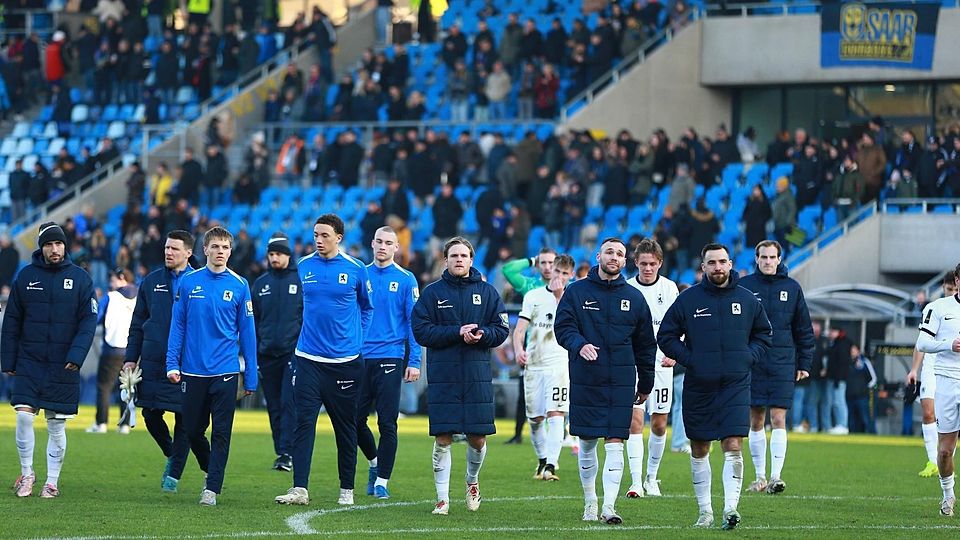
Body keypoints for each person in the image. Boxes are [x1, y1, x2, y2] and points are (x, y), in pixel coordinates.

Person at [657, 242, 772, 530]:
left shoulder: (747, 300)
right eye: (712, 263)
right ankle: (705, 512)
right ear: (703, 266)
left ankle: (731, 509)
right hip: (699, 385)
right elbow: (666, 336)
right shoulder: (688, 300)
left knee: (733, 444)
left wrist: (748, 357)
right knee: (699, 448)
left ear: (730, 264)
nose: (718, 267)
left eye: (722, 262)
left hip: (735, 385)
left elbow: (764, 334)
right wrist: (690, 359)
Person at [554, 237, 658, 525]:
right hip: (586, 378)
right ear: (598, 256)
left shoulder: (635, 298)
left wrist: (646, 383)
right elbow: (563, 328)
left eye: (620, 254)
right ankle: (590, 502)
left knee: (616, 441)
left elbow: (646, 345)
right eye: (609, 252)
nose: (614, 257)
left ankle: (609, 507)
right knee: (587, 442)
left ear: (625, 262)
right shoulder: (576, 292)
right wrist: (579, 344)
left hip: (622, 380)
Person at [275, 214, 373, 507]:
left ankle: (346, 490)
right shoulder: (303, 266)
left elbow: (367, 309)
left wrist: (358, 341)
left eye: (325, 235)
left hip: (345, 362)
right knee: (303, 423)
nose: (319, 240)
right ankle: (299, 489)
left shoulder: (356, 268)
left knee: (345, 427)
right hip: (308, 359)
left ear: (339, 238)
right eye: (316, 235)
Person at [412, 236, 509, 515]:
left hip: (477, 375)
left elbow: (501, 329)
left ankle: (472, 481)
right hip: (444, 375)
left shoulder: (488, 292)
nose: (458, 260)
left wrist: (481, 335)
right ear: (446, 259)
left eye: (463, 256)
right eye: (453, 256)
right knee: (443, 437)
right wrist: (456, 332)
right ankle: (442, 499)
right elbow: (421, 331)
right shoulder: (432, 293)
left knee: (478, 438)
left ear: (471, 260)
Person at [2, 222, 97, 498]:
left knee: (56, 426)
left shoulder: (81, 279)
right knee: (22, 417)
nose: (55, 249)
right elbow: (11, 321)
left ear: (65, 246)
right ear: (41, 247)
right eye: (49, 244)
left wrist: (76, 356)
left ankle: (51, 482)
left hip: (63, 363)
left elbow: (88, 322)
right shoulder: (25, 277)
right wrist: (8, 361)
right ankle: (28, 474)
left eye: (59, 244)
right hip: (30, 361)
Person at [165, 226, 259, 506]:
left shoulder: (240, 285)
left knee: (221, 432)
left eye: (225, 247)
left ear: (231, 251)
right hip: (193, 371)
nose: (220, 252)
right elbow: (177, 325)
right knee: (192, 430)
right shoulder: (188, 283)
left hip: (226, 371)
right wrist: (172, 362)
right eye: (215, 247)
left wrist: (251, 376)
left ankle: (212, 487)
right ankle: (211, 468)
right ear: (204, 250)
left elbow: (248, 334)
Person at [125, 230, 211, 493]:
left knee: (185, 419)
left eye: (174, 249)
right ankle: (172, 453)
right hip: (154, 360)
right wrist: (130, 358)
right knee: (150, 413)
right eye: (166, 248)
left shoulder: (203, 281)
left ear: (188, 252)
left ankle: (175, 474)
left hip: (189, 362)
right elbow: (137, 323)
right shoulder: (151, 282)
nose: (168, 252)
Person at [738, 240, 814, 495]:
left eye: (772, 257)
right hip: (753, 361)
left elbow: (803, 329)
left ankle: (775, 477)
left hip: (783, 362)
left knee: (779, 417)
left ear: (779, 259)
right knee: (756, 418)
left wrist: (804, 362)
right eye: (764, 257)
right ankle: (759, 478)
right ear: (756, 259)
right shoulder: (745, 287)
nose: (768, 261)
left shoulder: (792, 288)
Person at [357, 226, 422, 499]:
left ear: (397, 248)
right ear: (372, 244)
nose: (383, 246)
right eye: (379, 241)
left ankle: (382, 481)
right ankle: (374, 463)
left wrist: (414, 360)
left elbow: (413, 323)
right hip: (359, 358)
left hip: (391, 357)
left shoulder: (406, 280)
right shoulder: (360, 274)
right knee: (354, 421)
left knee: (387, 423)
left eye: (389, 243)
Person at [624, 238, 680, 498]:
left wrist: (675, 351)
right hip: (633, 364)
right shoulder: (626, 289)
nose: (648, 268)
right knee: (634, 420)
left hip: (661, 364)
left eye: (652, 264)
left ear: (660, 264)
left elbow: (681, 325)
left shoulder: (669, 289)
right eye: (643, 263)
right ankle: (636, 482)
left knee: (658, 424)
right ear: (635, 263)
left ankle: (651, 477)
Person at [513, 254, 575, 482]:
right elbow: (519, 330)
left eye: (564, 274)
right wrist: (519, 349)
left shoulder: (573, 298)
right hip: (534, 365)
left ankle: (551, 465)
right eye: (557, 271)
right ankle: (541, 461)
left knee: (556, 413)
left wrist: (560, 296)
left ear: (571, 276)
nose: (559, 276)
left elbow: (571, 325)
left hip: (559, 365)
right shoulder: (533, 296)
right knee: (535, 419)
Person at [252, 233, 303, 472]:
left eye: (279, 254)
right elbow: (254, 321)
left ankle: (287, 452)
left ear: (288, 255)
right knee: (273, 405)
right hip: (266, 354)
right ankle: (281, 452)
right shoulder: (260, 284)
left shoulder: (300, 281)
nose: (275, 258)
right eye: (271, 254)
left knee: (288, 402)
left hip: (291, 354)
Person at [916, 264, 960, 516]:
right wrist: (948, 344)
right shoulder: (938, 308)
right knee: (945, 450)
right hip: (947, 381)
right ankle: (948, 495)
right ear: (957, 280)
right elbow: (922, 342)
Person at [502, 247, 557, 445]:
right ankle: (518, 434)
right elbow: (508, 270)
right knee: (524, 395)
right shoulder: (531, 287)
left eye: (552, 262)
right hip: (532, 351)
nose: (548, 267)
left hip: (559, 352)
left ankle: (562, 436)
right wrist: (532, 260)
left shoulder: (567, 288)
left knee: (558, 397)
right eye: (543, 263)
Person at [908, 270, 958, 478]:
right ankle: (932, 461)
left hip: (954, 369)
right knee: (928, 412)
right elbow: (921, 344)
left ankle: (945, 461)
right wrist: (914, 369)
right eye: (949, 289)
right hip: (933, 366)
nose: (952, 292)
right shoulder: (936, 309)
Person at [87, 268, 139, 434]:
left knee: (104, 386)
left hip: (112, 347)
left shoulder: (111, 297)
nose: (111, 282)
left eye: (113, 279)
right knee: (127, 387)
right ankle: (125, 424)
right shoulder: (139, 296)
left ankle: (101, 423)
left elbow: (97, 317)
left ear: (121, 278)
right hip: (132, 349)